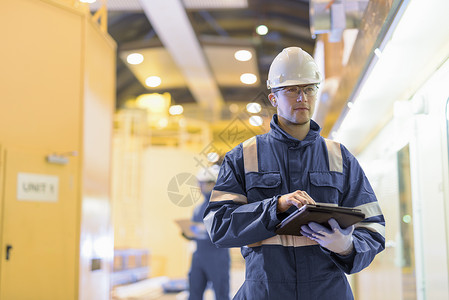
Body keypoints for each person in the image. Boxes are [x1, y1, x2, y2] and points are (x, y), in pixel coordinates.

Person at [203, 47, 385, 299]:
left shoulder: (339, 157)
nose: (303, 97)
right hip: (265, 290)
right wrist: (274, 206)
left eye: (309, 88)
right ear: (273, 98)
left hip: (328, 291)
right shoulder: (244, 156)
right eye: (292, 89)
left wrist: (346, 247)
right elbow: (218, 225)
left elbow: (373, 228)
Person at [187, 165, 230, 300]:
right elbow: (194, 231)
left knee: (221, 295)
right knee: (194, 294)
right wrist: (187, 233)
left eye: (203, 183)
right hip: (199, 257)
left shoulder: (222, 206)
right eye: (199, 183)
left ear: (213, 184)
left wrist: (204, 232)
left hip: (217, 257)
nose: (200, 186)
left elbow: (225, 232)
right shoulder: (198, 208)